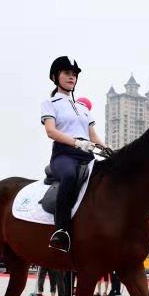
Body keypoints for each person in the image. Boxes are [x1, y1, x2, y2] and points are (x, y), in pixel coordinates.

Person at [41, 56, 110, 252]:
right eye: (67, 73)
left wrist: (108, 150)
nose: (71, 77)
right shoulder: (50, 102)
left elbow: (94, 136)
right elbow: (51, 131)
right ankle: (61, 231)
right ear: (56, 76)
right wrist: (76, 142)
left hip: (87, 155)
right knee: (70, 176)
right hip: (64, 155)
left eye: (74, 75)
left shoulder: (83, 108)